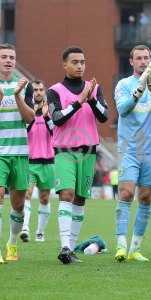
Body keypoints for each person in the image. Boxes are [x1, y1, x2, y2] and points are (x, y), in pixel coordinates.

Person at [47, 46, 108, 264]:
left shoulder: (95, 89)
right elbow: (56, 118)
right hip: (64, 151)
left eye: (82, 62)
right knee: (67, 194)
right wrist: (78, 102)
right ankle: (64, 246)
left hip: (89, 152)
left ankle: (70, 249)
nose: (80, 66)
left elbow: (104, 116)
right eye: (75, 62)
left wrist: (90, 98)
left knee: (80, 199)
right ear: (64, 65)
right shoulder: (54, 91)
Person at [114, 44, 151, 262]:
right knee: (126, 192)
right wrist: (139, 89)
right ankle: (120, 244)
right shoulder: (124, 84)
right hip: (129, 148)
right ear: (131, 61)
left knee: (145, 198)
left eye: (146, 58)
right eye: (139, 58)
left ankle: (135, 248)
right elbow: (122, 108)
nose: (143, 61)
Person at [0, 43, 35, 263]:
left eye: (11, 57)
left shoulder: (24, 85)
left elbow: (31, 118)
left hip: (21, 152)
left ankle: (11, 243)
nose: (8, 60)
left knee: (19, 204)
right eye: (4, 57)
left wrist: (18, 95)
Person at [20, 80, 54, 243]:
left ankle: (40, 232)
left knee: (44, 199)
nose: (38, 92)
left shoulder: (50, 110)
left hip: (48, 161)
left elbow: (56, 131)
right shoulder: (27, 113)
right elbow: (24, 129)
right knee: (27, 193)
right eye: (35, 90)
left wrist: (47, 115)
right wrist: (35, 112)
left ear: (44, 91)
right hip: (30, 161)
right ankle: (25, 228)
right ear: (31, 92)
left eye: (41, 89)